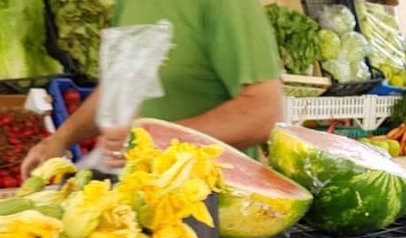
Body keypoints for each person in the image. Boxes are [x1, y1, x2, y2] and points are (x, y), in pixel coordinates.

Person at [20, 0, 284, 179]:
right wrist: (60, 139)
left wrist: (150, 141)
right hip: (143, 204)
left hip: (211, 214)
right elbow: (121, 82)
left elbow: (262, 113)